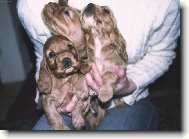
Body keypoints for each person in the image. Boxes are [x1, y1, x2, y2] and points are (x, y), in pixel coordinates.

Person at [16, 0, 180, 130]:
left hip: (125, 99)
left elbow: (162, 53)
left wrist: (130, 85)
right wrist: (51, 98)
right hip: (66, 100)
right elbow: (43, 58)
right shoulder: (31, 5)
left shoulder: (162, 3)